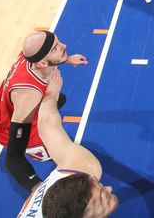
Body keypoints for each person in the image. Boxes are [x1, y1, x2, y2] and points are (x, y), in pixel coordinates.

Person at [0, 29, 87, 191]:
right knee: (65, 154)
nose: (64, 45)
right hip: (11, 127)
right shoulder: (30, 95)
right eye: (56, 48)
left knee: (60, 99)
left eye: (58, 42)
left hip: (5, 106)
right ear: (42, 64)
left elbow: (48, 58)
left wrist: (67, 59)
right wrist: (37, 190)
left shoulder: (33, 53)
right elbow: (13, 158)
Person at [18, 69, 119, 218]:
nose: (109, 188)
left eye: (100, 187)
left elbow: (47, 125)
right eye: (102, 198)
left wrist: (51, 94)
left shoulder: (82, 167)